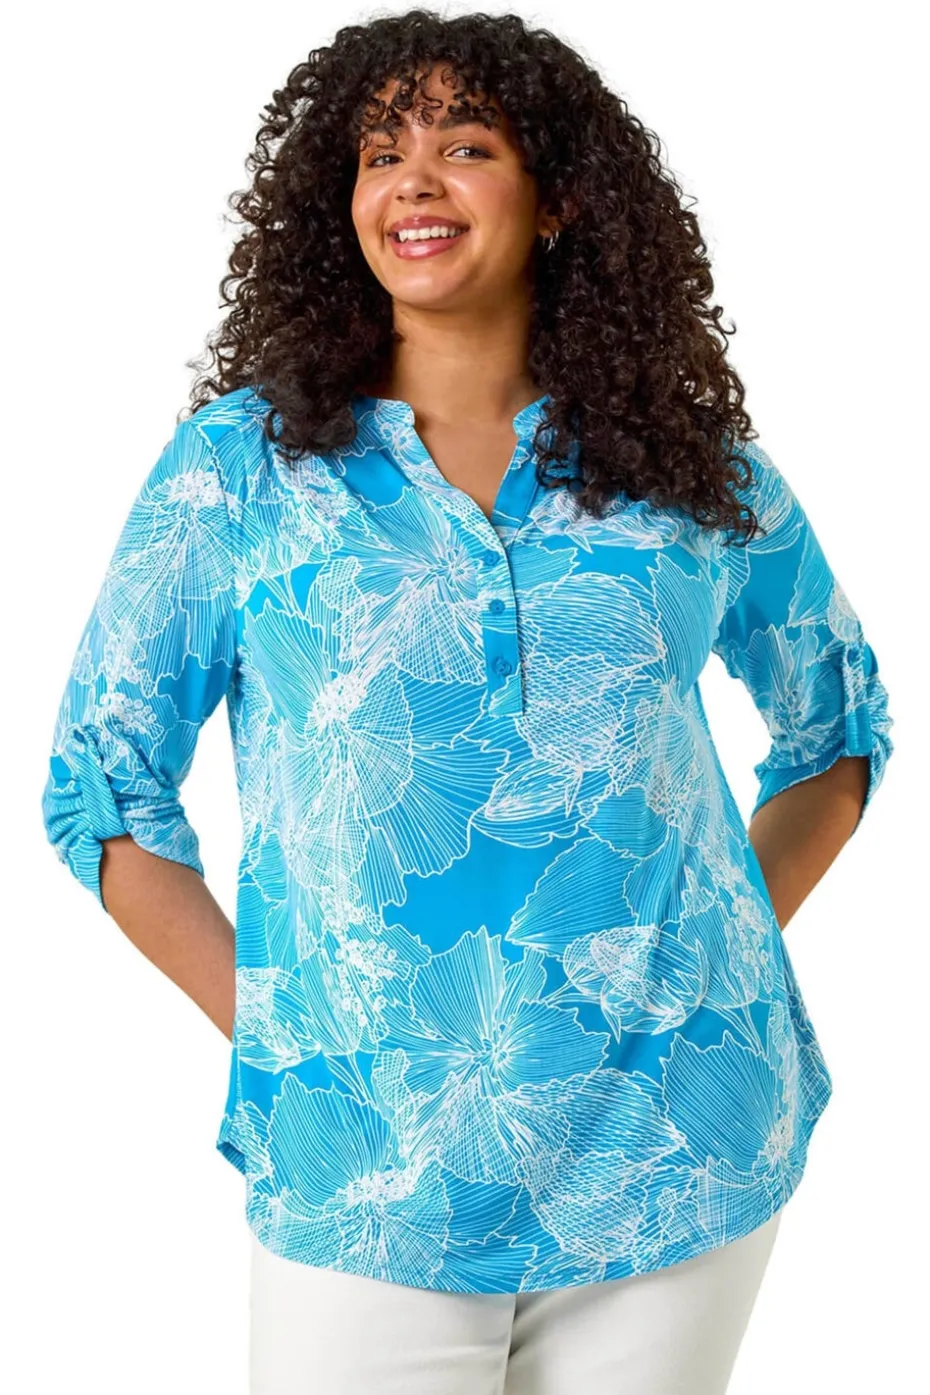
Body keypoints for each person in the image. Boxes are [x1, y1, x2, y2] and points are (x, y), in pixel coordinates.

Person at [40, 10, 895, 1394]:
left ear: (558, 199)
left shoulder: (688, 467)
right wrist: (283, 1033)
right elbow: (104, 785)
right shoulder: (238, 472)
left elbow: (833, 729)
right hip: (365, 1166)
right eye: (380, 153)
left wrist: (701, 951)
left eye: (466, 146)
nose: (413, 181)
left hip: (679, 1142)